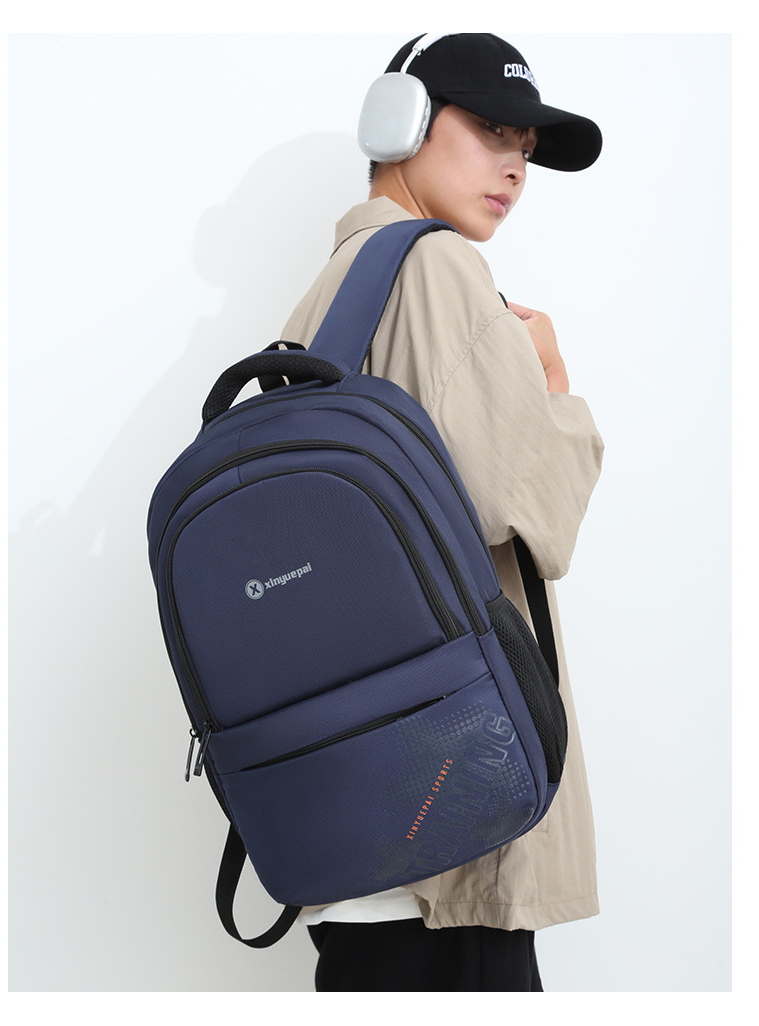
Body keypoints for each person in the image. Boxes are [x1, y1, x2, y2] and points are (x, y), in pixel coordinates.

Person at [281, 32, 605, 993]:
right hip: (452, 832)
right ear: (402, 121)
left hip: (359, 818)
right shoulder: (436, 267)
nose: (516, 167)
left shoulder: (331, 295)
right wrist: (554, 382)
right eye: (493, 130)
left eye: (527, 149)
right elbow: (531, 509)